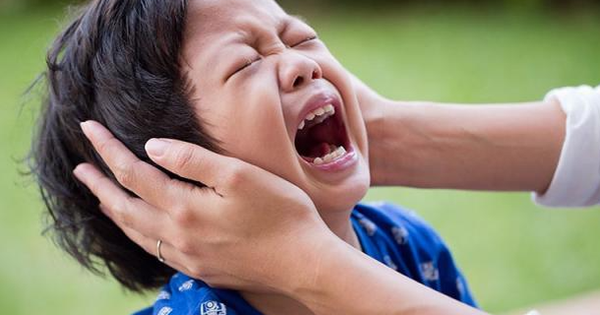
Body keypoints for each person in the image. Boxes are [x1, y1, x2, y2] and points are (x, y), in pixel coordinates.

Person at [30, 0, 483, 314]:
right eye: (245, 64)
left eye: (301, 37)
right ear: (170, 178)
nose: (301, 64)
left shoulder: (407, 243)